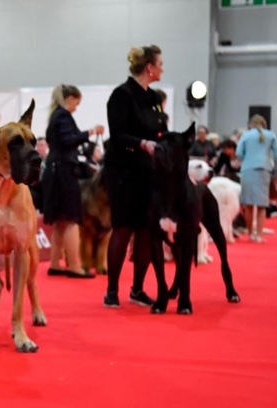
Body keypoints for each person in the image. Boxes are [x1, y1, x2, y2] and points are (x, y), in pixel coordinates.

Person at [102, 45, 167, 308]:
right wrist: (141, 143)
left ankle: (137, 289)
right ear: (149, 67)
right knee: (123, 227)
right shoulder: (121, 95)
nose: (163, 69)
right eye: (160, 64)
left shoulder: (154, 97)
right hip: (123, 171)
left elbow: (161, 131)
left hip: (148, 172)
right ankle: (111, 291)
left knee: (146, 229)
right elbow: (117, 135)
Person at [41, 84, 104, 278]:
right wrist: (90, 132)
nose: (76, 108)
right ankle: (75, 265)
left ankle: (55, 264)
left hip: (57, 170)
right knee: (71, 220)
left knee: (60, 221)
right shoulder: (63, 116)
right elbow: (69, 140)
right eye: (76, 103)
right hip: (64, 172)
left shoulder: (56, 116)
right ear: (69, 99)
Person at [236, 114, 277, 243]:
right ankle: (259, 235)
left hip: (247, 170)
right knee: (262, 205)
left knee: (248, 204)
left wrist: (246, 160)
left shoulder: (246, 135)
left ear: (250, 124)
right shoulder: (271, 135)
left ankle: (251, 234)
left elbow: (238, 153)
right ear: (264, 124)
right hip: (264, 170)